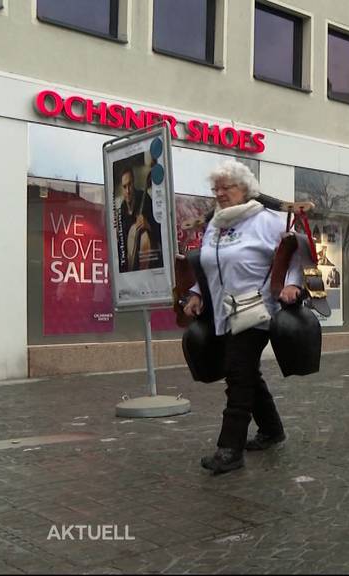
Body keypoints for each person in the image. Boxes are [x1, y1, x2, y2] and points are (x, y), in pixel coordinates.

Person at [183, 160, 305, 475]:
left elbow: (293, 255)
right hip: (222, 309)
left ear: (246, 189)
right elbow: (208, 264)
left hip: (256, 305)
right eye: (217, 188)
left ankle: (229, 449)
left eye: (228, 187)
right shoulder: (215, 224)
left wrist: (292, 284)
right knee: (245, 370)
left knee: (238, 373)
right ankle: (272, 430)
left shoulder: (267, 220)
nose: (221, 193)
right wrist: (196, 292)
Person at [115, 167, 162, 272]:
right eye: (124, 187)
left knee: (145, 237)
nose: (128, 190)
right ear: (121, 188)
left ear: (134, 182)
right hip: (131, 268)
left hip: (150, 267)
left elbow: (161, 232)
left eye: (130, 184)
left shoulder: (145, 199)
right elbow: (123, 247)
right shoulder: (122, 209)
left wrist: (148, 225)